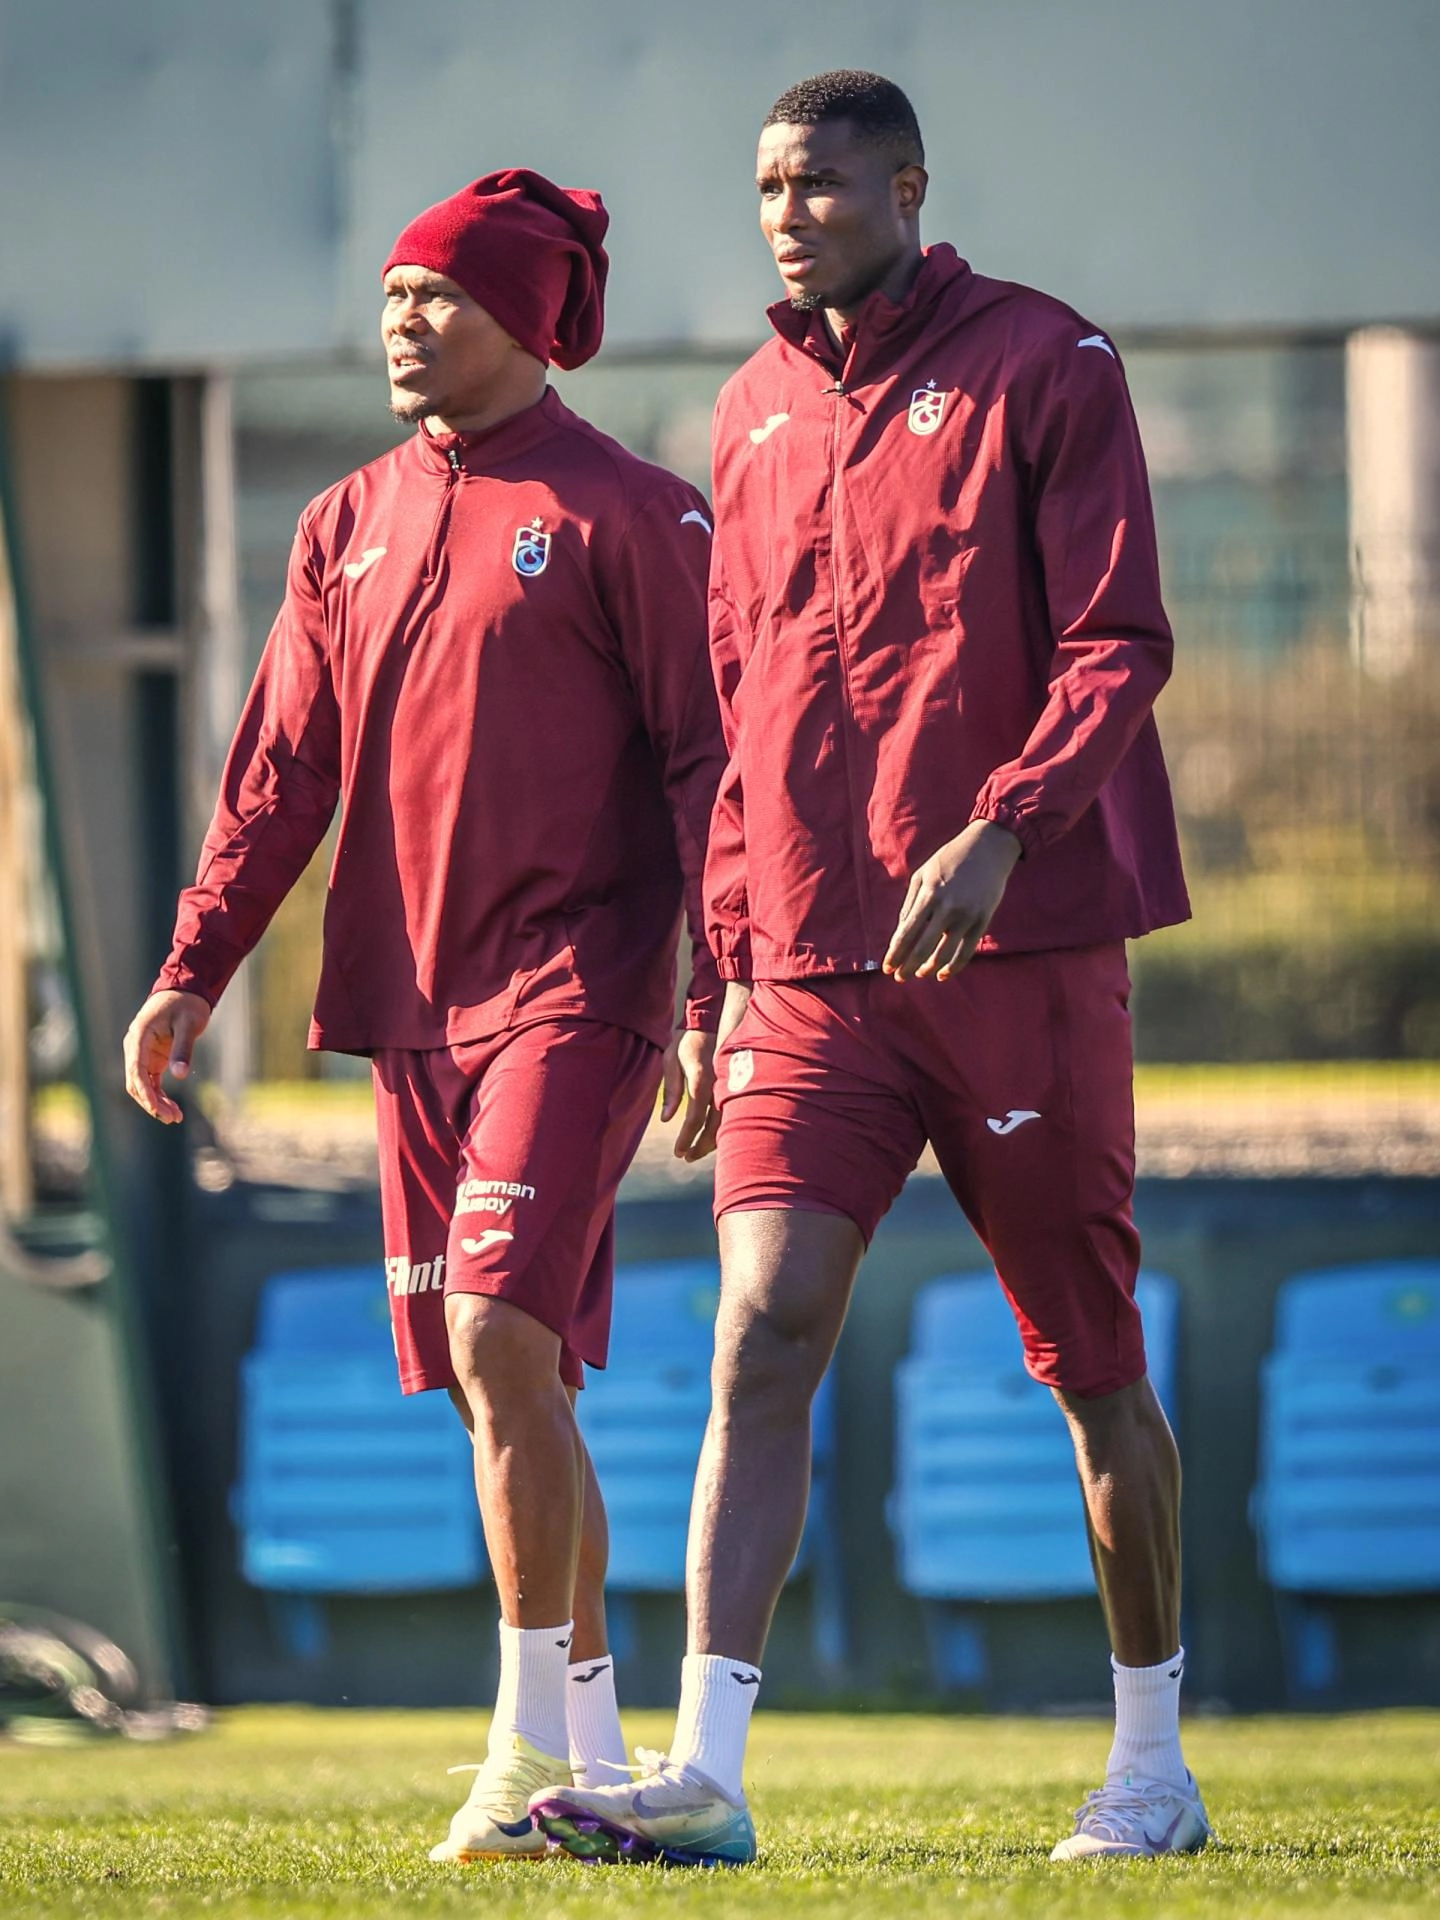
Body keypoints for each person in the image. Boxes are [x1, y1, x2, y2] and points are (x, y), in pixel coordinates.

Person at [532, 71, 1208, 1867]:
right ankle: (706, 1775)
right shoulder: (749, 412)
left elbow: (1120, 641)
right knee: (760, 1329)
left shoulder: (1050, 364)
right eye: (768, 187)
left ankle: (1152, 1765)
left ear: (908, 187)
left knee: (1092, 1367)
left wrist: (1003, 827)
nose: (789, 215)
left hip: (1021, 954)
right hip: (811, 984)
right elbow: (737, 720)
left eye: (821, 183)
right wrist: (715, 978)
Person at [123, 170, 727, 1862]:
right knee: (496, 1386)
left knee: (497, 1341)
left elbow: (711, 768)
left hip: (578, 991)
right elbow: (278, 775)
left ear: (527, 317)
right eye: (391, 293)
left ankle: (515, 1750)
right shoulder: (344, 521)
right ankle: (591, 1753)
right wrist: (192, 967)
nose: (401, 320)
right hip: (408, 1006)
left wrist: (721, 982)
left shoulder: (633, 513)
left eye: (436, 294)